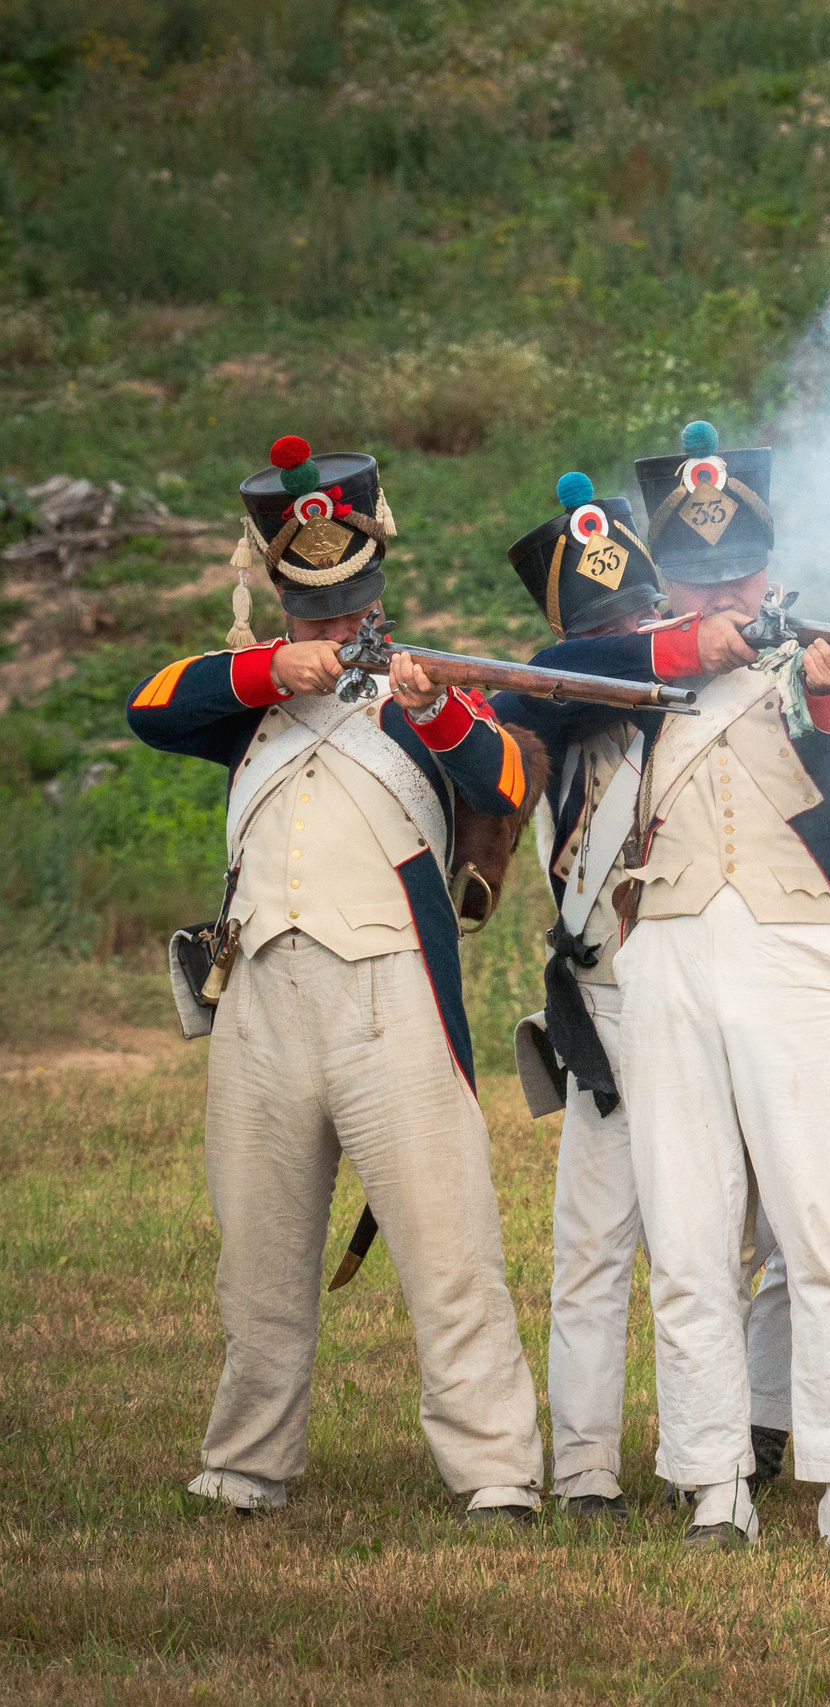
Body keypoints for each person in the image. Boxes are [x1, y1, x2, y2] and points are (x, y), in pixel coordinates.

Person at [131, 434, 543, 1524]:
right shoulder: (252, 701)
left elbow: (502, 779)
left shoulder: (423, 691)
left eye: (348, 605)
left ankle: (496, 1471)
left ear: (374, 585)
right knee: (259, 1259)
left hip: (391, 995)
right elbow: (153, 706)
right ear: (278, 586)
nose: (334, 625)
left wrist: (427, 702)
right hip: (263, 995)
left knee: (448, 1252)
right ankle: (247, 1461)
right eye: (313, 609)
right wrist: (280, 668)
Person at [612, 422, 830, 1547]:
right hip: (671, 955)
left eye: (734, 573)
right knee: (687, 1235)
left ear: (767, 566)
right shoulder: (633, 665)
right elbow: (545, 691)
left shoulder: (809, 657)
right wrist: (683, 652)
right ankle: (711, 1481)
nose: (717, 593)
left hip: (795, 952)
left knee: (827, 1228)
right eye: (695, 578)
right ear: (666, 580)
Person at [493, 471, 801, 1517]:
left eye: (642, 611)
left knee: (729, 1242)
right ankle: (582, 1467)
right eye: (609, 624)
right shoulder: (562, 700)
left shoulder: (708, 685)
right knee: (593, 1253)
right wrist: (654, 653)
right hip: (613, 1011)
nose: (632, 630)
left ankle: (719, 1450)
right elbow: (547, 675)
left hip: (717, 985)